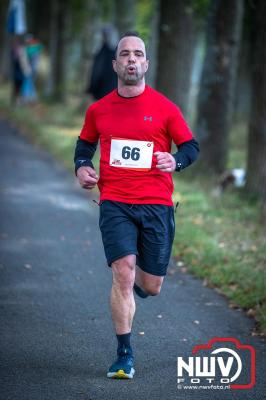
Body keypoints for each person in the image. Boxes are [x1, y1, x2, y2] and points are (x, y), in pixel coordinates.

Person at [74, 33, 199, 379]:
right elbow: (84, 146)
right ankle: (124, 355)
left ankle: (142, 287)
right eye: (125, 54)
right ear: (115, 65)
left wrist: (175, 161)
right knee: (123, 272)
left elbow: (191, 147)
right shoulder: (98, 110)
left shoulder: (165, 108)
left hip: (156, 204)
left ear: (146, 64)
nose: (131, 59)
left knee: (150, 285)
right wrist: (83, 167)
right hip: (115, 202)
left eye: (138, 54)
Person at [86, 24, 118, 100]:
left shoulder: (102, 53)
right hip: (105, 92)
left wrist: (91, 89)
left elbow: (95, 73)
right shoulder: (102, 53)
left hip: (108, 92)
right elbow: (96, 73)